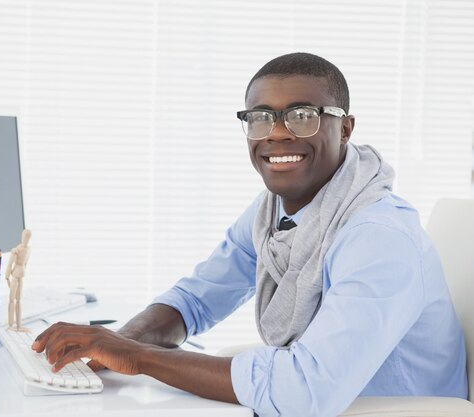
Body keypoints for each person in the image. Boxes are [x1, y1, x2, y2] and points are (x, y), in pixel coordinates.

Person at [32, 53, 467, 416]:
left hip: (395, 408)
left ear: (346, 128)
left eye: (302, 116)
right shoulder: (274, 211)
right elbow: (197, 299)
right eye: (261, 118)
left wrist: (139, 358)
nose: (276, 133)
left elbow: (303, 390)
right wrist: (118, 342)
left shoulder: (378, 237)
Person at [5, 228, 32, 331]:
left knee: (18, 300)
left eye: (28, 237)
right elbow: (10, 264)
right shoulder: (16, 250)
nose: (26, 239)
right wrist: (7, 276)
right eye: (25, 236)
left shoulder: (29, 249)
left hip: (21, 276)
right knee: (11, 300)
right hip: (15, 276)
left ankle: (19, 325)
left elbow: (26, 263)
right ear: (22, 237)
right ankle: (11, 325)